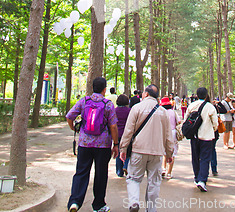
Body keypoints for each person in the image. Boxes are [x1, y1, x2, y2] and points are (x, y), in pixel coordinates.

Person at [66, 77, 119, 212]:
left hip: (84, 144)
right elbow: (113, 126)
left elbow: (69, 116)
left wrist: (74, 128)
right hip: (102, 146)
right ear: (104, 89)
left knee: (81, 172)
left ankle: (75, 202)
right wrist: (116, 144)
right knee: (101, 174)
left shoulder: (84, 101)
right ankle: (98, 205)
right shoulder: (107, 104)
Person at [119, 84, 174, 212]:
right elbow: (168, 136)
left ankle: (133, 202)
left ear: (146, 94)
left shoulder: (136, 108)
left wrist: (123, 149)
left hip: (138, 150)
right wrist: (169, 153)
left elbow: (128, 131)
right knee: (154, 182)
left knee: (133, 178)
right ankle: (151, 209)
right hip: (157, 153)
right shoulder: (163, 112)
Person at [185, 87, 218, 192]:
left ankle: (196, 177)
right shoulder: (210, 107)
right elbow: (215, 123)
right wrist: (212, 129)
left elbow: (186, 119)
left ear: (197, 95)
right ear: (206, 95)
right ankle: (202, 180)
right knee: (205, 158)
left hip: (194, 136)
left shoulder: (191, 106)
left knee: (195, 157)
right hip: (206, 137)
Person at [160, 96, 181, 179]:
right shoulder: (173, 112)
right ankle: (169, 173)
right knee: (172, 152)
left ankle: (163, 169)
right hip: (172, 133)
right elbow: (179, 121)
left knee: (164, 152)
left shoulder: (161, 112)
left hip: (163, 132)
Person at [115, 94, 131, 177]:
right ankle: (126, 166)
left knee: (118, 152)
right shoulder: (129, 111)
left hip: (117, 134)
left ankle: (119, 171)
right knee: (128, 151)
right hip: (127, 134)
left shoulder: (114, 111)